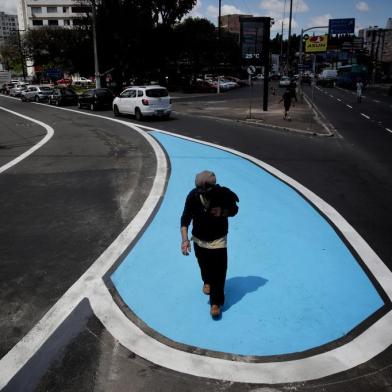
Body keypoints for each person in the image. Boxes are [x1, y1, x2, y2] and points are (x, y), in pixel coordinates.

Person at [180, 170, 239, 318]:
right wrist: (185, 239)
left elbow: (234, 210)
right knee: (204, 266)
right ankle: (206, 280)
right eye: (200, 190)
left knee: (219, 272)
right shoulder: (193, 196)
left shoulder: (224, 194)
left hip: (218, 239)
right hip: (199, 239)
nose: (202, 193)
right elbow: (185, 217)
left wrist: (222, 212)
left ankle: (215, 302)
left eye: (205, 191)